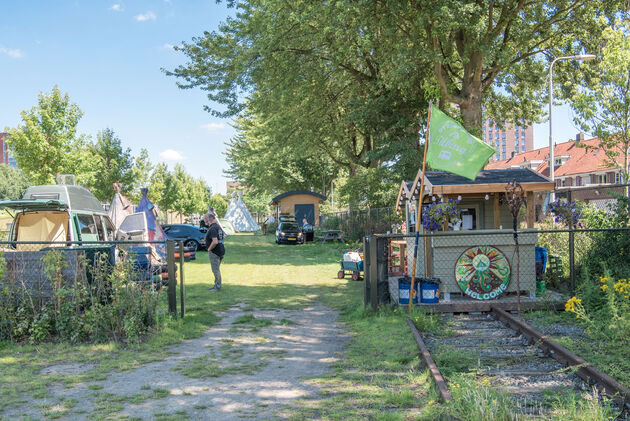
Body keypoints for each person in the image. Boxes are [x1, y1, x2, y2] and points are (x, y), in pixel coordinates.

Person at [204, 213, 225, 291]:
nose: (204, 220)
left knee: (215, 270)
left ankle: (217, 286)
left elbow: (215, 241)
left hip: (215, 252)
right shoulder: (218, 227)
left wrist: (209, 249)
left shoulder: (212, 228)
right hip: (221, 250)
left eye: (205, 218)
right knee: (217, 269)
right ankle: (216, 284)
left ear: (209, 219)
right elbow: (223, 237)